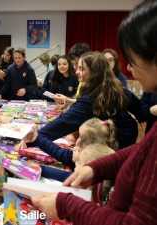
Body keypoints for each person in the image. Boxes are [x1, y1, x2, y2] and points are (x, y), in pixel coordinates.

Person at [31, 1, 157, 224]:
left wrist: (66, 204)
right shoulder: (116, 89)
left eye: (134, 60)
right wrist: (97, 168)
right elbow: (142, 146)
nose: (129, 69)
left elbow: (60, 124)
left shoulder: (93, 97)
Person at [37, 51, 144, 150]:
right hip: (126, 135)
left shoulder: (92, 96)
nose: (77, 71)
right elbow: (139, 110)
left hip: (118, 141)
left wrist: (35, 137)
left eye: (81, 69)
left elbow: (64, 122)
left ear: (94, 72)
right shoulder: (114, 86)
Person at [25, 118, 117, 182]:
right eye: (79, 136)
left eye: (82, 138)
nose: (77, 141)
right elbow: (59, 152)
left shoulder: (90, 165)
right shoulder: (82, 154)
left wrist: (40, 169)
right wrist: (37, 139)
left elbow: (68, 176)